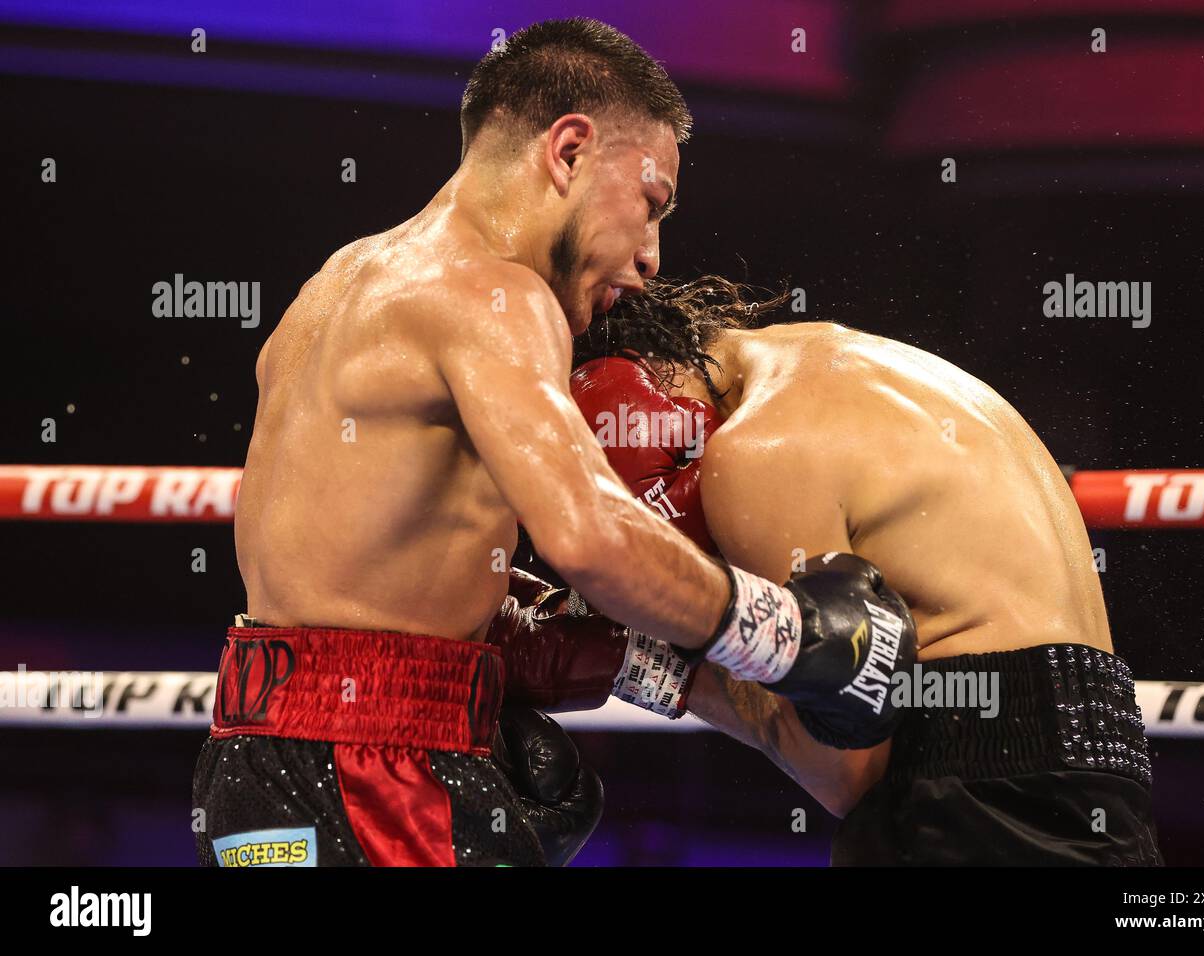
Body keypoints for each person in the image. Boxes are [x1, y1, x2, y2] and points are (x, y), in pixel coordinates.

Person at [193, 21, 910, 868]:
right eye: (650, 205)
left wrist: (617, 651)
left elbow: (362, 568)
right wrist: (790, 635)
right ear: (568, 151)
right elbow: (590, 537)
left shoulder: (336, 284)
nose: (650, 256)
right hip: (377, 770)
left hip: (251, 761)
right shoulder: (496, 294)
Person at [516, 275, 1162, 865]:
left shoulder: (758, 451)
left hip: (965, 799)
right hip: (1095, 772)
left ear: (632, 380)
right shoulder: (892, 369)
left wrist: (639, 662)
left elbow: (842, 770)